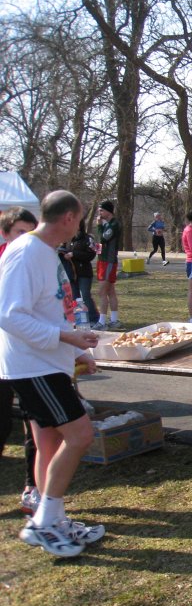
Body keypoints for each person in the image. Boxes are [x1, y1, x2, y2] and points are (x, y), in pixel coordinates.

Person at [1, 190, 105, 558]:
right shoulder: (25, 253)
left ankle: (53, 518)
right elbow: (9, 315)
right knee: (79, 435)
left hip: (52, 362)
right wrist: (65, 338)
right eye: (79, 221)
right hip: (33, 367)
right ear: (68, 218)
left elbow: (55, 310)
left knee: (50, 442)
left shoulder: (48, 254)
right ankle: (44, 521)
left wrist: (77, 349)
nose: (79, 228)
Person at [0, 207, 41, 513]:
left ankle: (32, 487)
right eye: (19, 232)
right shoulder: (9, 262)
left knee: (36, 426)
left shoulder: (35, 259)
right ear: (5, 233)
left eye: (31, 232)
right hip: (5, 359)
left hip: (29, 359)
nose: (25, 239)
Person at [93, 200, 122, 331]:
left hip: (108, 261)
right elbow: (101, 242)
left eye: (101, 210)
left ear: (108, 212)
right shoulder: (107, 224)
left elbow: (104, 238)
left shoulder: (114, 224)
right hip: (102, 259)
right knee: (110, 291)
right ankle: (114, 320)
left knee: (102, 291)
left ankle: (102, 321)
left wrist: (99, 226)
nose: (99, 213)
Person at [68, 220, 98, 324]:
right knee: (75, 297)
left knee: (85, 295)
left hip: (84, 273)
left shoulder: (88, 239)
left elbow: (91, 255)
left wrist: (74, 254)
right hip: (72, 273)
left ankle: (93, 317)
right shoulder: (70, 239)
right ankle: (80, 318)